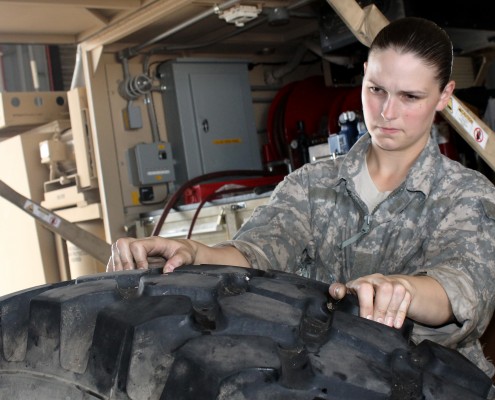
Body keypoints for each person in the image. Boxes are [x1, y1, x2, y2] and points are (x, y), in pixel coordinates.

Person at [107, 17, 495, 378]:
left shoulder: (467, 194)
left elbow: (463, 288)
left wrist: (406, 291)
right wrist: (192, 253)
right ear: (362, 76)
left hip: (434, 382)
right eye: (376, 89)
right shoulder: (312, 184)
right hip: (325, 379)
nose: (386, 112)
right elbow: (256, 252)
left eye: (410, 97)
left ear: (444, 96)